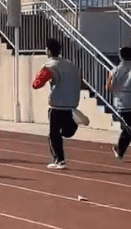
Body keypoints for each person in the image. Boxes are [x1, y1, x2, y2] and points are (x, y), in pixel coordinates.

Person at [31, 38, 89, 170]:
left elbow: (37, 84)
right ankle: (74, 123)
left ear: (49, 51)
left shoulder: (50, 65)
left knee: (54, 133)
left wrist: (39, 76)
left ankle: (60, 159)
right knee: (66, 132)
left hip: (57, 104)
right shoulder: (71, 65)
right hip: (72, 103)